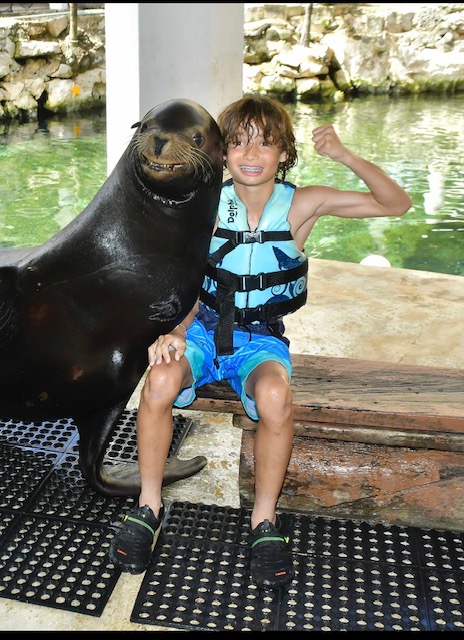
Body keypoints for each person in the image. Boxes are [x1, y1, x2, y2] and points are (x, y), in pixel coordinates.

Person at [108, 95, 412, 589]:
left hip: (260, 339)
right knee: (159, 381)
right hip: (203, 330)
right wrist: (175, 332)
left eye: (265, 143)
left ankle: (264, 520)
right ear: (222, 153)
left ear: (284, 153)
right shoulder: (207, 204)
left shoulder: (303, 204)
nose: (251, 154)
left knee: (274, 397)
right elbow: (191, 279)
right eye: (239, 142)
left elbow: (396, 204)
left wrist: (344, 155)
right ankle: (148, 506)